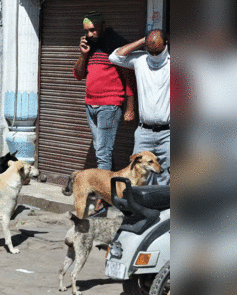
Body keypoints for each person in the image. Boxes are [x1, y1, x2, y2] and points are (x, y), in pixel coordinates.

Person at [73, 11, 135, 215]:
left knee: (102, 153)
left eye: (92, 29)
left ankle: (102, 203)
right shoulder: (89, 48)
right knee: (104, 153)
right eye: (86, 31)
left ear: (102, 26)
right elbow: (78, 75)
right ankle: (113, 193)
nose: (89, 34)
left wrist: (130, 107)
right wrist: (83, 54)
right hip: (90, 105)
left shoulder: (115, 46)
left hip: (109, 105)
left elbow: (128, 77)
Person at [109, 29, 170, 185]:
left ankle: (161, 209)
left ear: (167, 45)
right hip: (144, 133)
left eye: (158, 51)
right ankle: (140, 209)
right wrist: (144, 40)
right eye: (151, 51)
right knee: (137, 175)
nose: (155, 56)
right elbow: (115, 56)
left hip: (168, 134)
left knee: (165, 177)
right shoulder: (140, 61)